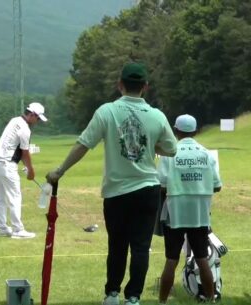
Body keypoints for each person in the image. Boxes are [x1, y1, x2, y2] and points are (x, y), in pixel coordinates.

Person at [46, 62, 177, 305]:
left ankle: (113, 294)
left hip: (117, 192)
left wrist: (60, 171)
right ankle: (134, 297)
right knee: (140, 247)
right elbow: (171, 149)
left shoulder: (107, 111)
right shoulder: (157, 115)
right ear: (145, 87)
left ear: (120, 85)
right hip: (148, 190)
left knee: (117, 246)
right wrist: (149, 145)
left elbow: (83, 144)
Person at [157, 114, 222, 304]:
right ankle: (210, 299)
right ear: (196, 131)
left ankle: (162, 301)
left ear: (176, 131)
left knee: (171, 259)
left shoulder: (170, 153)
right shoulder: (206, 154)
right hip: (200, 214)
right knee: (202, 258)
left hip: (174, 214)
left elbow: (160, 184)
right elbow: (217, 186)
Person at [0, 102, 47, 239]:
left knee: (0, 198)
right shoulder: (25, 130)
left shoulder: (14, 120)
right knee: (15, 197)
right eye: (38, 118)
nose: (38, 121)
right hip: (7, 165)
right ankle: (18, 230)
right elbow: (25, 153)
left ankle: (3, 229)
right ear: (32, 114)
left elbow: (17, 149)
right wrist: (31, 170)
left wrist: (24, 165)